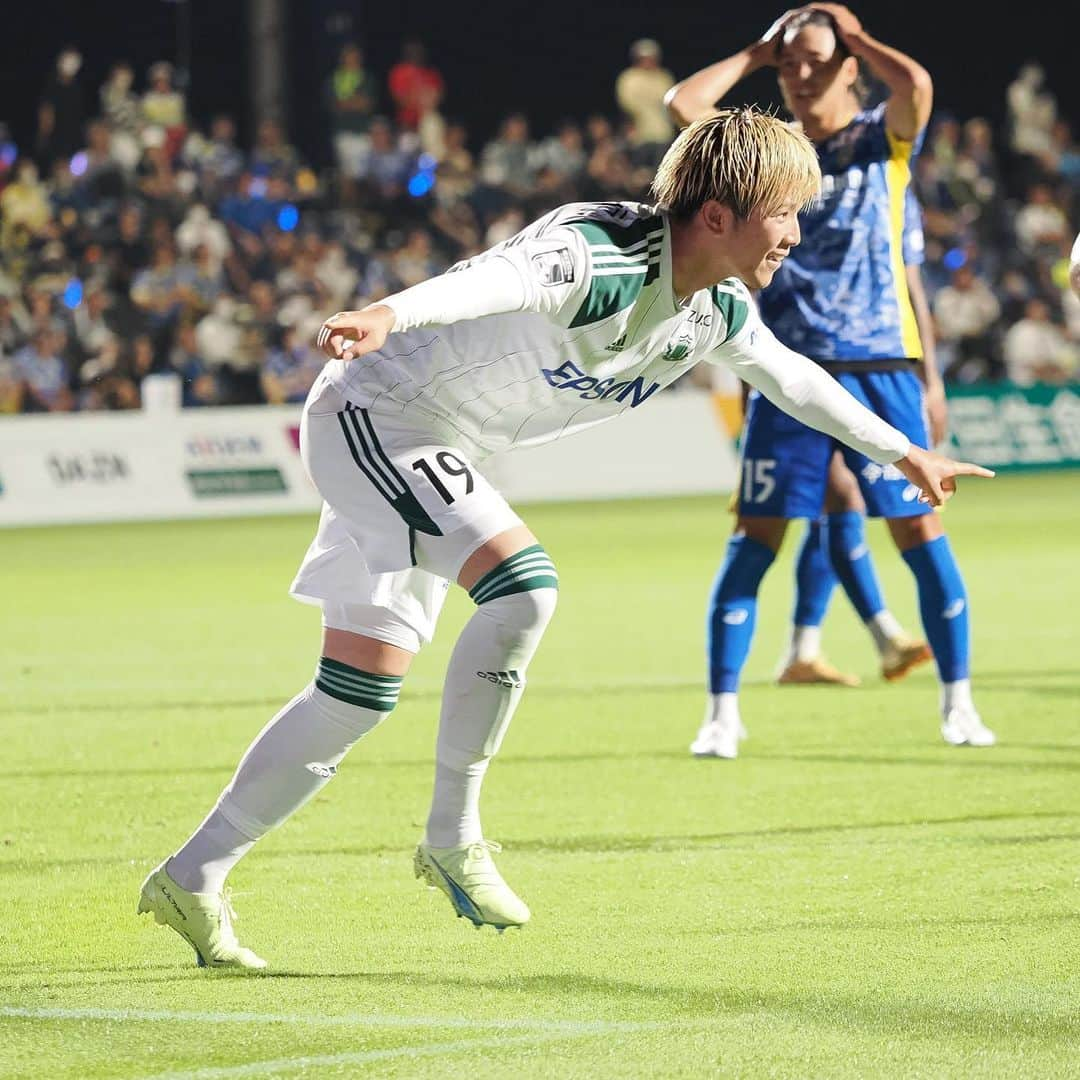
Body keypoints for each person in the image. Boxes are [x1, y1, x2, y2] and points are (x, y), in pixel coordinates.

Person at [138, 107, 992, 969]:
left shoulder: (713, 310)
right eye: (786, 213)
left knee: (356, 696)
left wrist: (903, 450)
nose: (796, 235)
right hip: (381, 414)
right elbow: (497, 280)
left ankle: (192, 876)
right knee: (525, 586)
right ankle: (453, 837)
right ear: (720, 215)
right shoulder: (602, 252)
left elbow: (791, 377)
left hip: (444, 443)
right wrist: (389, 313)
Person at [666, 5, 996, 759]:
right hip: (784, 368)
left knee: (919, 528)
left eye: (817, 60)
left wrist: (851, 33)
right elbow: (685, 107)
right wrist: (759, 51)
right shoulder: (770, 154)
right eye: (791, 65)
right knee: (757, 538)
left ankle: (959, 705)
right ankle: (721, 715)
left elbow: (916, 83)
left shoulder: (880, 138)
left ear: (850, 62)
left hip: (882, 361)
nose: (801, 75)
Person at [776, 189, 938, 688]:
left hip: (862, 361)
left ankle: (807, 649)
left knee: (835, 503)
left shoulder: (885, 184)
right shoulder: (785, 182)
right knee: (837, 497)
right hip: (794, 363)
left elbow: (910, 284)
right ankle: (879, 636)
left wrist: (931, 379)